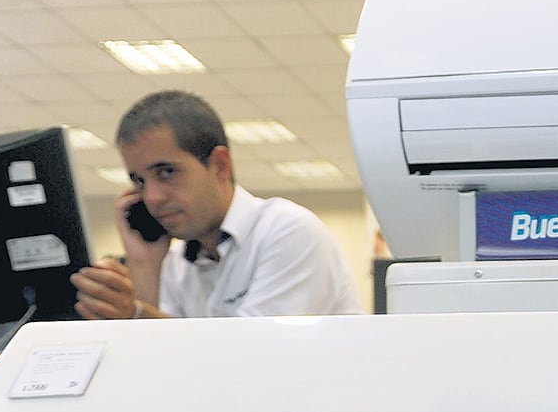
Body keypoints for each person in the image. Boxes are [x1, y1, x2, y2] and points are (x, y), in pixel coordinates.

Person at [70, 90, 363, 319]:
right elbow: (161, 365)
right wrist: (145, 265)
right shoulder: (175, 265)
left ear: (220, 165)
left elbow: (251, 358)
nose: (152, 197)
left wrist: (135, 314)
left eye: (166, 172)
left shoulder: (287, 231)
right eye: (140, 181)